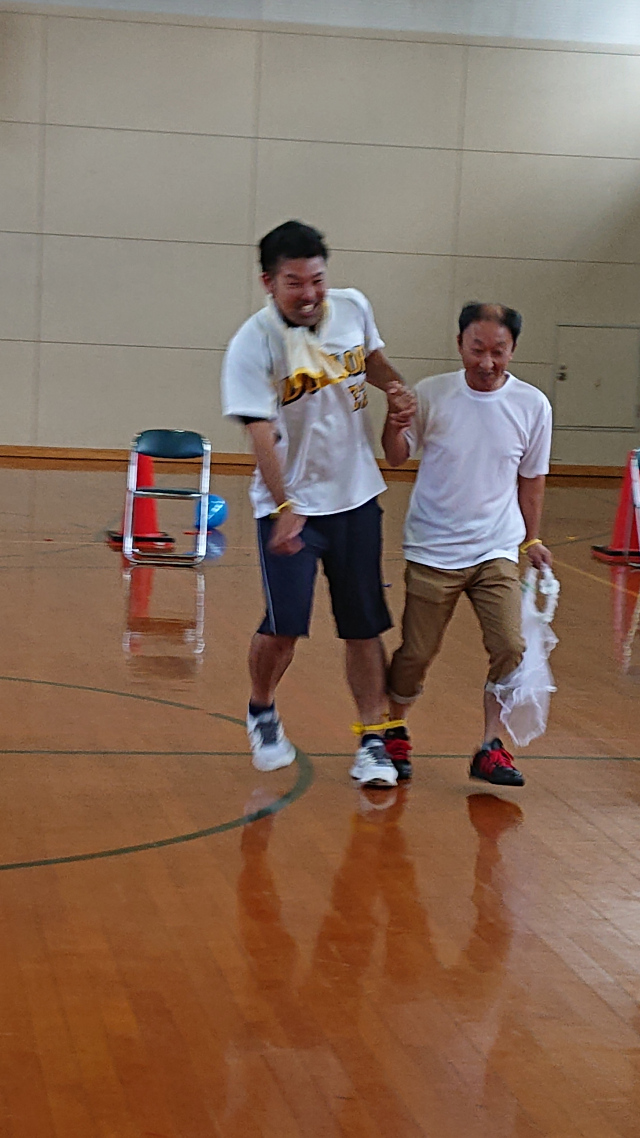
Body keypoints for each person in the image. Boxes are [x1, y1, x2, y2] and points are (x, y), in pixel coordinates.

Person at [221, 220, 415, 788]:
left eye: (317, 280)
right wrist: (285, 506)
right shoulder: (252, 344)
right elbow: (261, 436)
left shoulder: (352, 307)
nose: (309, 294)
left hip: (355, 497)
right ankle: (262, 709)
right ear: (268, 282)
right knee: (285, 627)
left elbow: (370, 359)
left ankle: (372, 742)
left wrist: (396, 388)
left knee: (363, 627)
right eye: (294, 283)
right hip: (291, 506)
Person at [382, 302, 553, 786]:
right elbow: (396, 457)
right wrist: (394, 422)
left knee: (510, 646)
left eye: (499, 351)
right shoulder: (432, 394)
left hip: (496, 547)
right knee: (416, 653)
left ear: (513, 350)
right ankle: (394, 731)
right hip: (432, 548)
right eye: (477, 349)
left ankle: (490, 747)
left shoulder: (533, 405)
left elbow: (532, 479)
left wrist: (532, 538)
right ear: (459, 344)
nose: (487, 361)